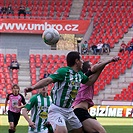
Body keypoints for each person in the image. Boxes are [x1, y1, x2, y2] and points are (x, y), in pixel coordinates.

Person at [24, 51, 96, 133]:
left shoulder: (79, 75)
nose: (83, 61)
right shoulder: (63, 72)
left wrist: (101, 68)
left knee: (79, 131)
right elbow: (48, 80)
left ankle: (51, 128)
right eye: (81, 59)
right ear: (77, 61)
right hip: (57, 109)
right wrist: (33, 87)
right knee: (62, 131)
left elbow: (90, 81)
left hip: (69, 110)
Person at [72, 56, 121, 133]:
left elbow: (96, 71)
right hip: (80, 112)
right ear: (88, 69)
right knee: (101, 131)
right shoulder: (85, 78)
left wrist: (101, 66)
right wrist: (109, 61)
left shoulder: (83, 78)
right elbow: (94, 69)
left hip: (80, 111)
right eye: (91, 65)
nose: (94, 65)